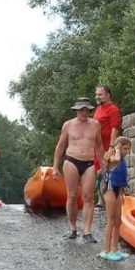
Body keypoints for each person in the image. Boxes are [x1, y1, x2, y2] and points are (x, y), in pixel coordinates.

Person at [52, 97, 105, 242]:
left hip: (88, 162)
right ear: (76, 110)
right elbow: (60, 146)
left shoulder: (95, 125)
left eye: (86, 110)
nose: (84, 112)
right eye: (81, 110)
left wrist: (103, 166)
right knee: (72, 196)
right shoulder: (68, 125)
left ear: (89, 110)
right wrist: (55, 167)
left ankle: (87, 231)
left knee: (88, 197)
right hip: (71, 160)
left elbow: (99, 146)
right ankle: (73, 228)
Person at [98, 136, 132, 261]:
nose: (127, 151)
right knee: (111, 220)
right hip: (110, 190)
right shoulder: (113, 158)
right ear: (119, 147)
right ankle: (106, 251)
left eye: (128, 149)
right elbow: (116, 158)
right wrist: (117, 149)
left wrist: (122, 194)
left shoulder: (122, 160)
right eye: (124, 148)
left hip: (118, 190)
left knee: (118, 221)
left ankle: (115, 249)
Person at [93, 85, 121, 208]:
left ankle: (107, 200)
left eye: (100, 94)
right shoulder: (98, 109)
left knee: (107, 172)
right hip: (96, 146)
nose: (97, 97)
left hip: (107, 146)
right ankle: (101, 200)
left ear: (108, 95)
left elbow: (114, 129)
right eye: (96, 94)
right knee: (99, 172)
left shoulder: (113, 109)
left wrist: (111, 147)